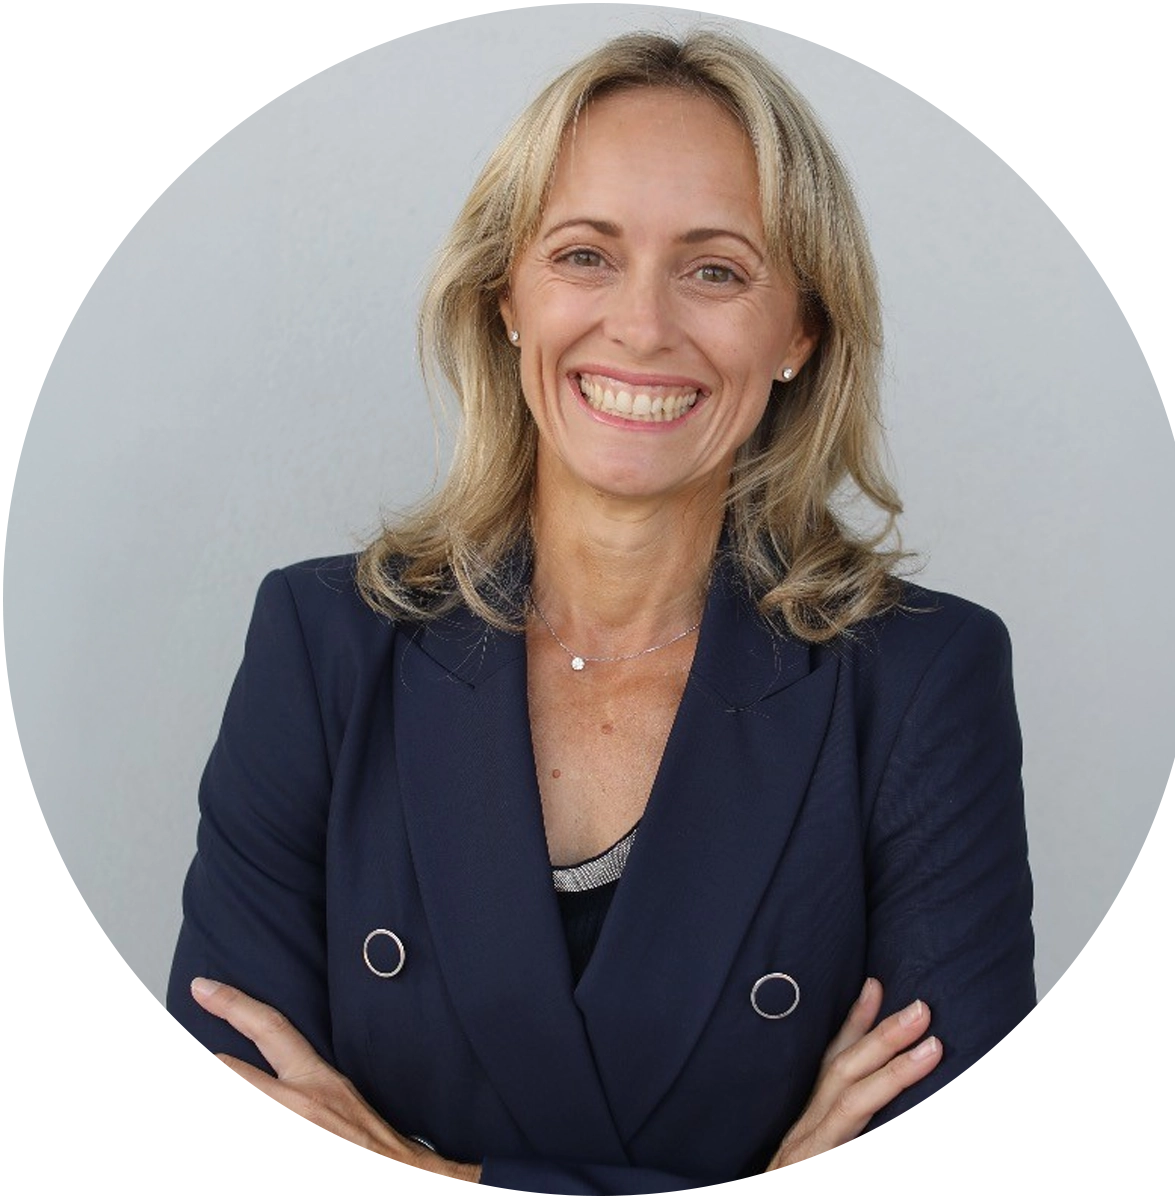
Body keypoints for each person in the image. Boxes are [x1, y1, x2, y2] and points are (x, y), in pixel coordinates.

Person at [166, 28, 1035, 1193]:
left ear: (799, 329)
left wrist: (429, 1176)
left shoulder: (922, 680)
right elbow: (224, 1154)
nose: (641, 325)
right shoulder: (321, 648)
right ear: (506, 295)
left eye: (715, 270)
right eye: (585, 255)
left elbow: (957, 1177)